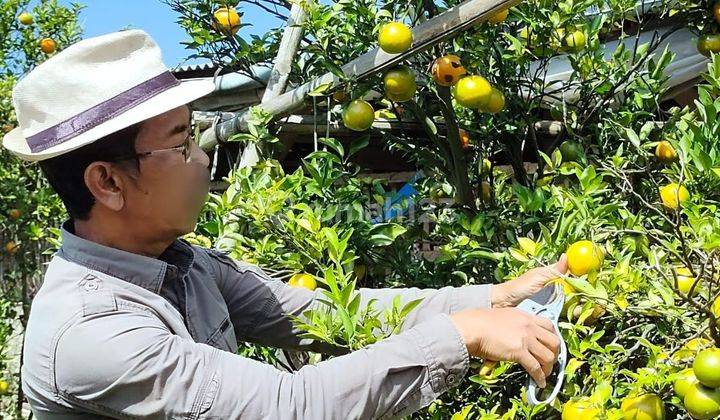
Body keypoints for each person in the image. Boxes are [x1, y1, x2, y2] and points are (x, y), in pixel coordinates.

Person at [3, 30, 566, 419]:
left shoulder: (182, 261)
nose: (202, 159)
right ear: (107, 183)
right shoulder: (93, 333)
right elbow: (288, 408)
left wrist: (491, 298)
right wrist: (462, 334)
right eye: (180, 142)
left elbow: (325, 315)